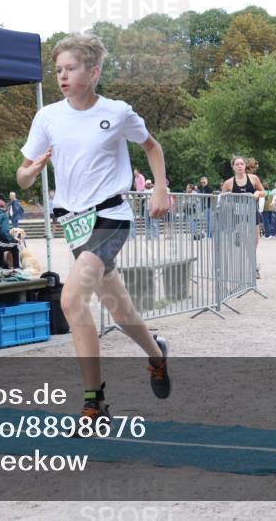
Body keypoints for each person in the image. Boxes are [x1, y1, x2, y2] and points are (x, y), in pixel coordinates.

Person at [17, 33, 170, 424]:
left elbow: (152, 147)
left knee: (71, 300)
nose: (62, 76)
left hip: (111, 217)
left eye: (70, 69)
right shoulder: (47, 116)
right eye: (58, 70)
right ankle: (156, 354)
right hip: (72, 222)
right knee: (119, 309)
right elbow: (22, 177)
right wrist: (29, 172)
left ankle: (94, 402)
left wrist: (160, 189)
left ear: (94, 72)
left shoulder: (117, 112)